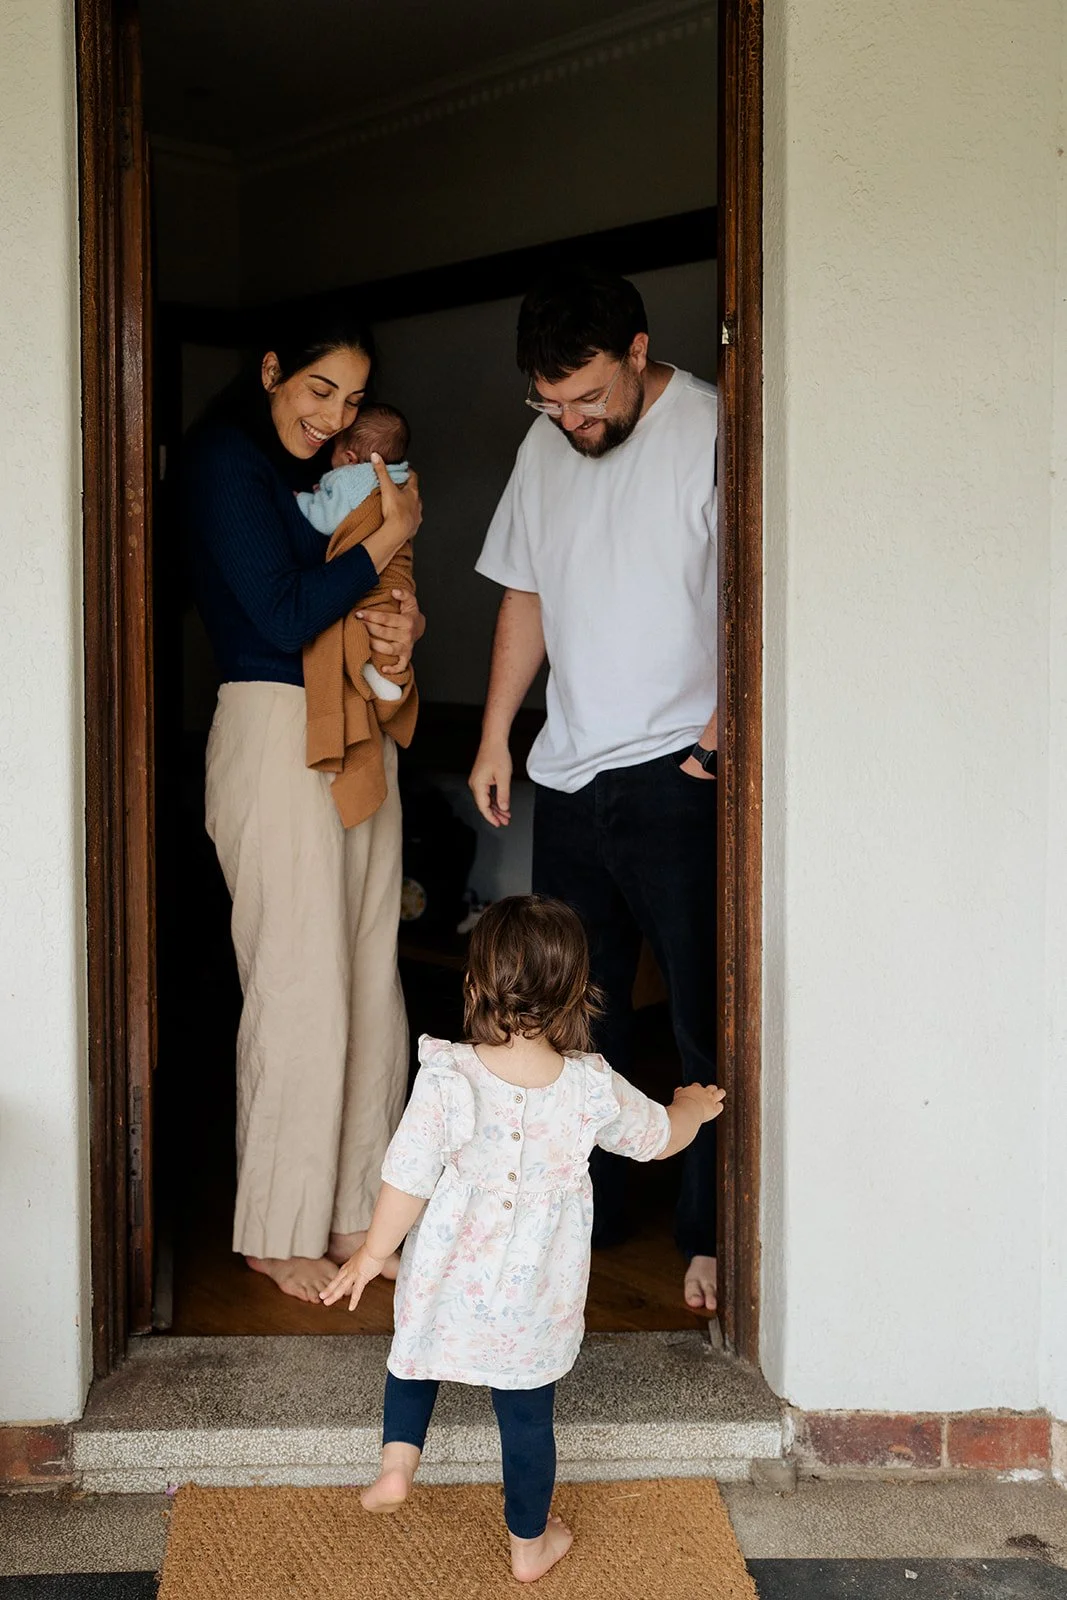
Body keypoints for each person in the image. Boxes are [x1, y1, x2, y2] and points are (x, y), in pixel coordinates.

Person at [321, 895, 724, 1585]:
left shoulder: (449, 1074)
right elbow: (657, 1140)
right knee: (528, 1419)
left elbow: (407, 1175)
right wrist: (691, 1107)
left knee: (413, 1359)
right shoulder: (590, 1088)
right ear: (578, 991)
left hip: (448, 1271)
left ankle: (396, 1466)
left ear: (473, 983)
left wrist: (372, 1252)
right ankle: (528, 1547)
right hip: (532, 1293)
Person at [468, 265, 720, 1315]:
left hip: (681, 767)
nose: (570, 420)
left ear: (636, 350)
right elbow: (525, 589)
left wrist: (722, 733)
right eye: (549, 402)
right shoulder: (541, 445)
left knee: (707, 1018)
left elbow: (759, 581)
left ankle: (711, 1237)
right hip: (567, 770)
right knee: (574, 1023)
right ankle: (590, 1217)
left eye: (586, 398)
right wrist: (493, 733)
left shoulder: (710, 427)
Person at [182, 302, 424, 1304]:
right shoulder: (225, 461)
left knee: (372, 979)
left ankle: (357, 1212)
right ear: (271, 368)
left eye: (353, 400)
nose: (332, 417)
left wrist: (400, 630)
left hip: (358, 735)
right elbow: (282, 613)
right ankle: (276, 1226)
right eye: (318, 390)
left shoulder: (310, 480)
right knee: (298, 984)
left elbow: (356, 602)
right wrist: (393, 536)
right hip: (278, 729)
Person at [297, 403, 414, 704]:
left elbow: (326, 520)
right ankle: (381, 668)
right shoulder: (401, 475)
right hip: (397, 569)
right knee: (386, 615)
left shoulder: (347, 479)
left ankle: (368, 668)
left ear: (350, 458)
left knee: (357, 617)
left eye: (334, 449)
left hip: (369, 562)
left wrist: (302, 501)